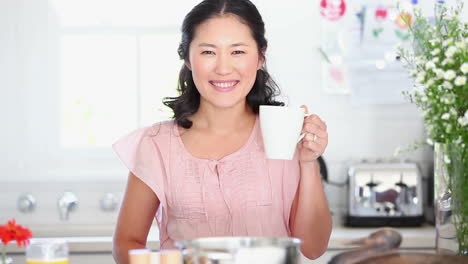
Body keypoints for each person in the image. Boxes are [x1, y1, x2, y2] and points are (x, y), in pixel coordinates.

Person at [112, 0, 332, 263]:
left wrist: (308, 163)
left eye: (237, 52)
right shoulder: (156, 144)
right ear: (187, 58)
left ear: (260, 56)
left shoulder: (286, 135)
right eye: (208, 52)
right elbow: (127, 242)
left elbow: (313, 247)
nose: (223, 68)